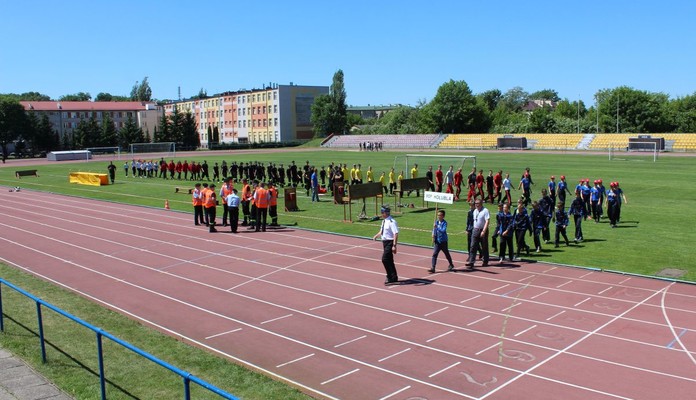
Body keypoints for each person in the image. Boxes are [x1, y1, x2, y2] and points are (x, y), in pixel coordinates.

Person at [373, 206, 399, 285]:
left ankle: (389, 276)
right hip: (384, 242)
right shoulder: (384, 221)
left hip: (390, 242)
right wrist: (376, 236)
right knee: (390, 260)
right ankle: (394, 277)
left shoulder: (392, 221)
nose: (382, 214)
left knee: (384, 259)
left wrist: (394, 245)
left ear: (386, 213)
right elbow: (382, 231)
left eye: (382, 212)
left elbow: (396, 233)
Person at [466, 199, 490, 267]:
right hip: (475, 230)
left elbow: (487, 221)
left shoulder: (485, 210)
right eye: (475, 203)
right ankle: (471, 261)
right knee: (473, 246)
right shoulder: (475, 211)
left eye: (478, 203)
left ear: (481, 203)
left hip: (482, 230)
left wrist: (483, 231)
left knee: (484, 247)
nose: (476, 204)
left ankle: (485, 261)